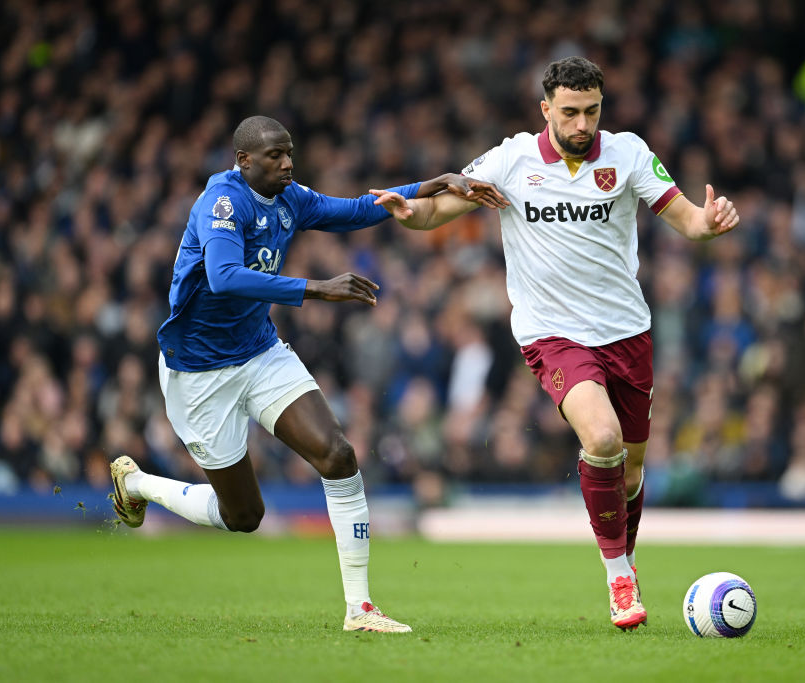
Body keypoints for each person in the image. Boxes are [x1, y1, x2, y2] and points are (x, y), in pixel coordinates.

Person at [374, 56, 739, 630]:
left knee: (634, 471)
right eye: (569, 112)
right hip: (552, 334)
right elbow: (435, 212)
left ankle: (625, 558)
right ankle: (619, 578)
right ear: (546, 110)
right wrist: (407, 213)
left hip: (626, 331)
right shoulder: (509, 160)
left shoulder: (630, 155)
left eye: (592, 111)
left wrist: (711, 222)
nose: (582, 124)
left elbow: (689, 222)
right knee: (602, 438)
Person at [108, 115, 506, 634]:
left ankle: (360, 609)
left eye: (289, 152)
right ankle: (137, 484)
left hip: (258, 351)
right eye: (275, 156)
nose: (287, 163)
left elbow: (361, 208)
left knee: (338, 455)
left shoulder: (290, 197)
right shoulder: (223, 204)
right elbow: (223, 278)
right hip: (200, 371)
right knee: (243, 516)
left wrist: (437, 182)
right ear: (244, 161)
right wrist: (317, 288)